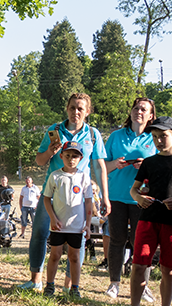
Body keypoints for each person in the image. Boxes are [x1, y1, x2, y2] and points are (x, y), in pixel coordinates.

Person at [19, 93, 109, 290]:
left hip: (79, 196)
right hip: (51, 195)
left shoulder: (93, 134)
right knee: (39, 234)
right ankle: (36, 280)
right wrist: (51, 150)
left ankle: (69, 284)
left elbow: (100, 167)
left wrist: (105, 197)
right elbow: (40, 161)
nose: (75, 112)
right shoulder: (54, 130)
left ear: (87, 111)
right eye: (72, 108)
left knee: (79, 237)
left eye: (80, 108)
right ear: (66, 108)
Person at [125, 117, 172, 306]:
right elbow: (134, 190)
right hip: (148, 219)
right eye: (154, 137)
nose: (159, 140)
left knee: (168, 269)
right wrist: (139, 198)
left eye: (163, 136)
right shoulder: (149, 162)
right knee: (139, 264)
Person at [103, 97, 157, 300]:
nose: (139, 111)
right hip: (116, 196)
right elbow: (101, 168)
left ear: (151, 116)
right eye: (136, 108)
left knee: (140, 242)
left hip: (141, 199)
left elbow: (161, 169)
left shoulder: (154, 138)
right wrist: (115, 164)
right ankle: (114, 283)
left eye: (144, 109)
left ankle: (142, 286)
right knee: (117, 240)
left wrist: (146, 167)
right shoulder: (116, 136)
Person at [41, 142, 93, 299]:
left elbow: (89, 202)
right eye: (68, 155)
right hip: (58, 226)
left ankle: (74, 288)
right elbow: (46, 199)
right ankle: (49, 286)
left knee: (74, 257)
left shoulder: (83, 177)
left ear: (80, 158)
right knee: (55, 255)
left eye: (75, 156)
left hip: (76, 227)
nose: (71, 159)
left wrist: (88, 225)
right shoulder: (55, 176)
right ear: (61, 156)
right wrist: (52, 218)